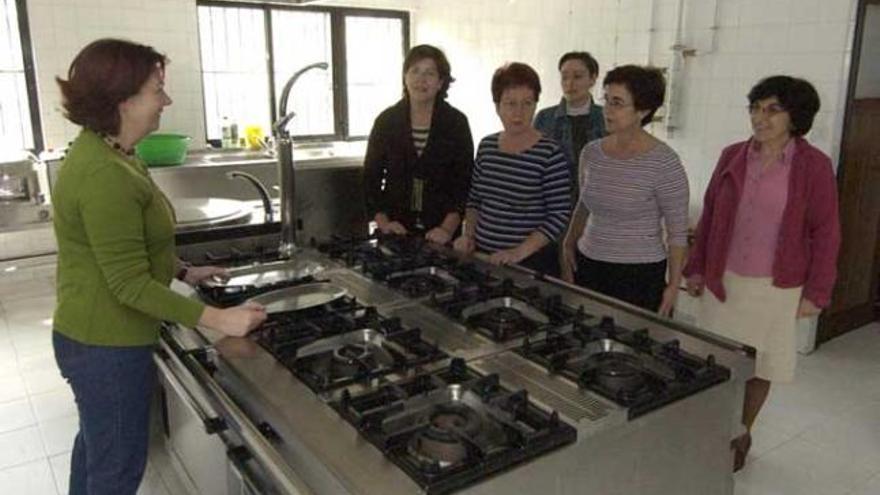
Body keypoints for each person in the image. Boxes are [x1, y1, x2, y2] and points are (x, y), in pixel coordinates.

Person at [52, 39, 267, 495]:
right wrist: (218, 318)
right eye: (158, 89)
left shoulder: (115, 152)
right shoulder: (103, 174)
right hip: (106, 344)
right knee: (116, 471)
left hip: (90, 335)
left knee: (95, 450)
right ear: (123, 100)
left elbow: (132, 242)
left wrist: (185, 272)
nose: (166, 101)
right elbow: (128, 282)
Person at [683, 75, 841, 472]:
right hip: (725, 282)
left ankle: (740, 432)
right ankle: (711, 429)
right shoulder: (732, 155)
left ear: (795, 116)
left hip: (775, 287)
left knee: (761, 366)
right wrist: (697, 266)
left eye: (772, 109)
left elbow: (827, 232)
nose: (760, 117)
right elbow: (711, 217)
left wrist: (817, 292)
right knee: (713, 360)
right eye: (755, 108)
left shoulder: (814, 166)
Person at [560, 65, 689, 314]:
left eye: (617, 103)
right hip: (589, 264)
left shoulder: (664, 162)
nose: (607, 110)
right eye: (606, 100)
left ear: (643, 110)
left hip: (638, 275)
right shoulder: (592, 152)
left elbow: (677, 233)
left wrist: (673, 285)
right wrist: (568, 243)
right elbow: (584, 204)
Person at [453, 62, 571, 276]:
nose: (519, 112)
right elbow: (475, 200)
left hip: (531, 263)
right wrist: (468, 236)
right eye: (511, 104)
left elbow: (559, 214)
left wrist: (518, 253)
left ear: (536, 105)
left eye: (527, 103)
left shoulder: (550, 152)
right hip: (484, 257)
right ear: (497, 106)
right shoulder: (487, 146)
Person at [363, 44, 474, 244]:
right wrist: (384, 223)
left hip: (442, 234)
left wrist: (446, 230)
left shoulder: (456, 122)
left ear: (441, 82)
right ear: (405, 77)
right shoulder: (387, 121)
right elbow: (371, 178)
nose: (421, 80)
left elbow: (463, 183)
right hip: (394, 230)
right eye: (415, 71)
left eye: (429, 73)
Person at [534, 51, 606, 191]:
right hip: (554, 195)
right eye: (564, 77)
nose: (570, 83)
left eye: (577, 77)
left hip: (597, 196)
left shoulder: (605, 117)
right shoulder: (545, 117)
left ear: (593, 78)